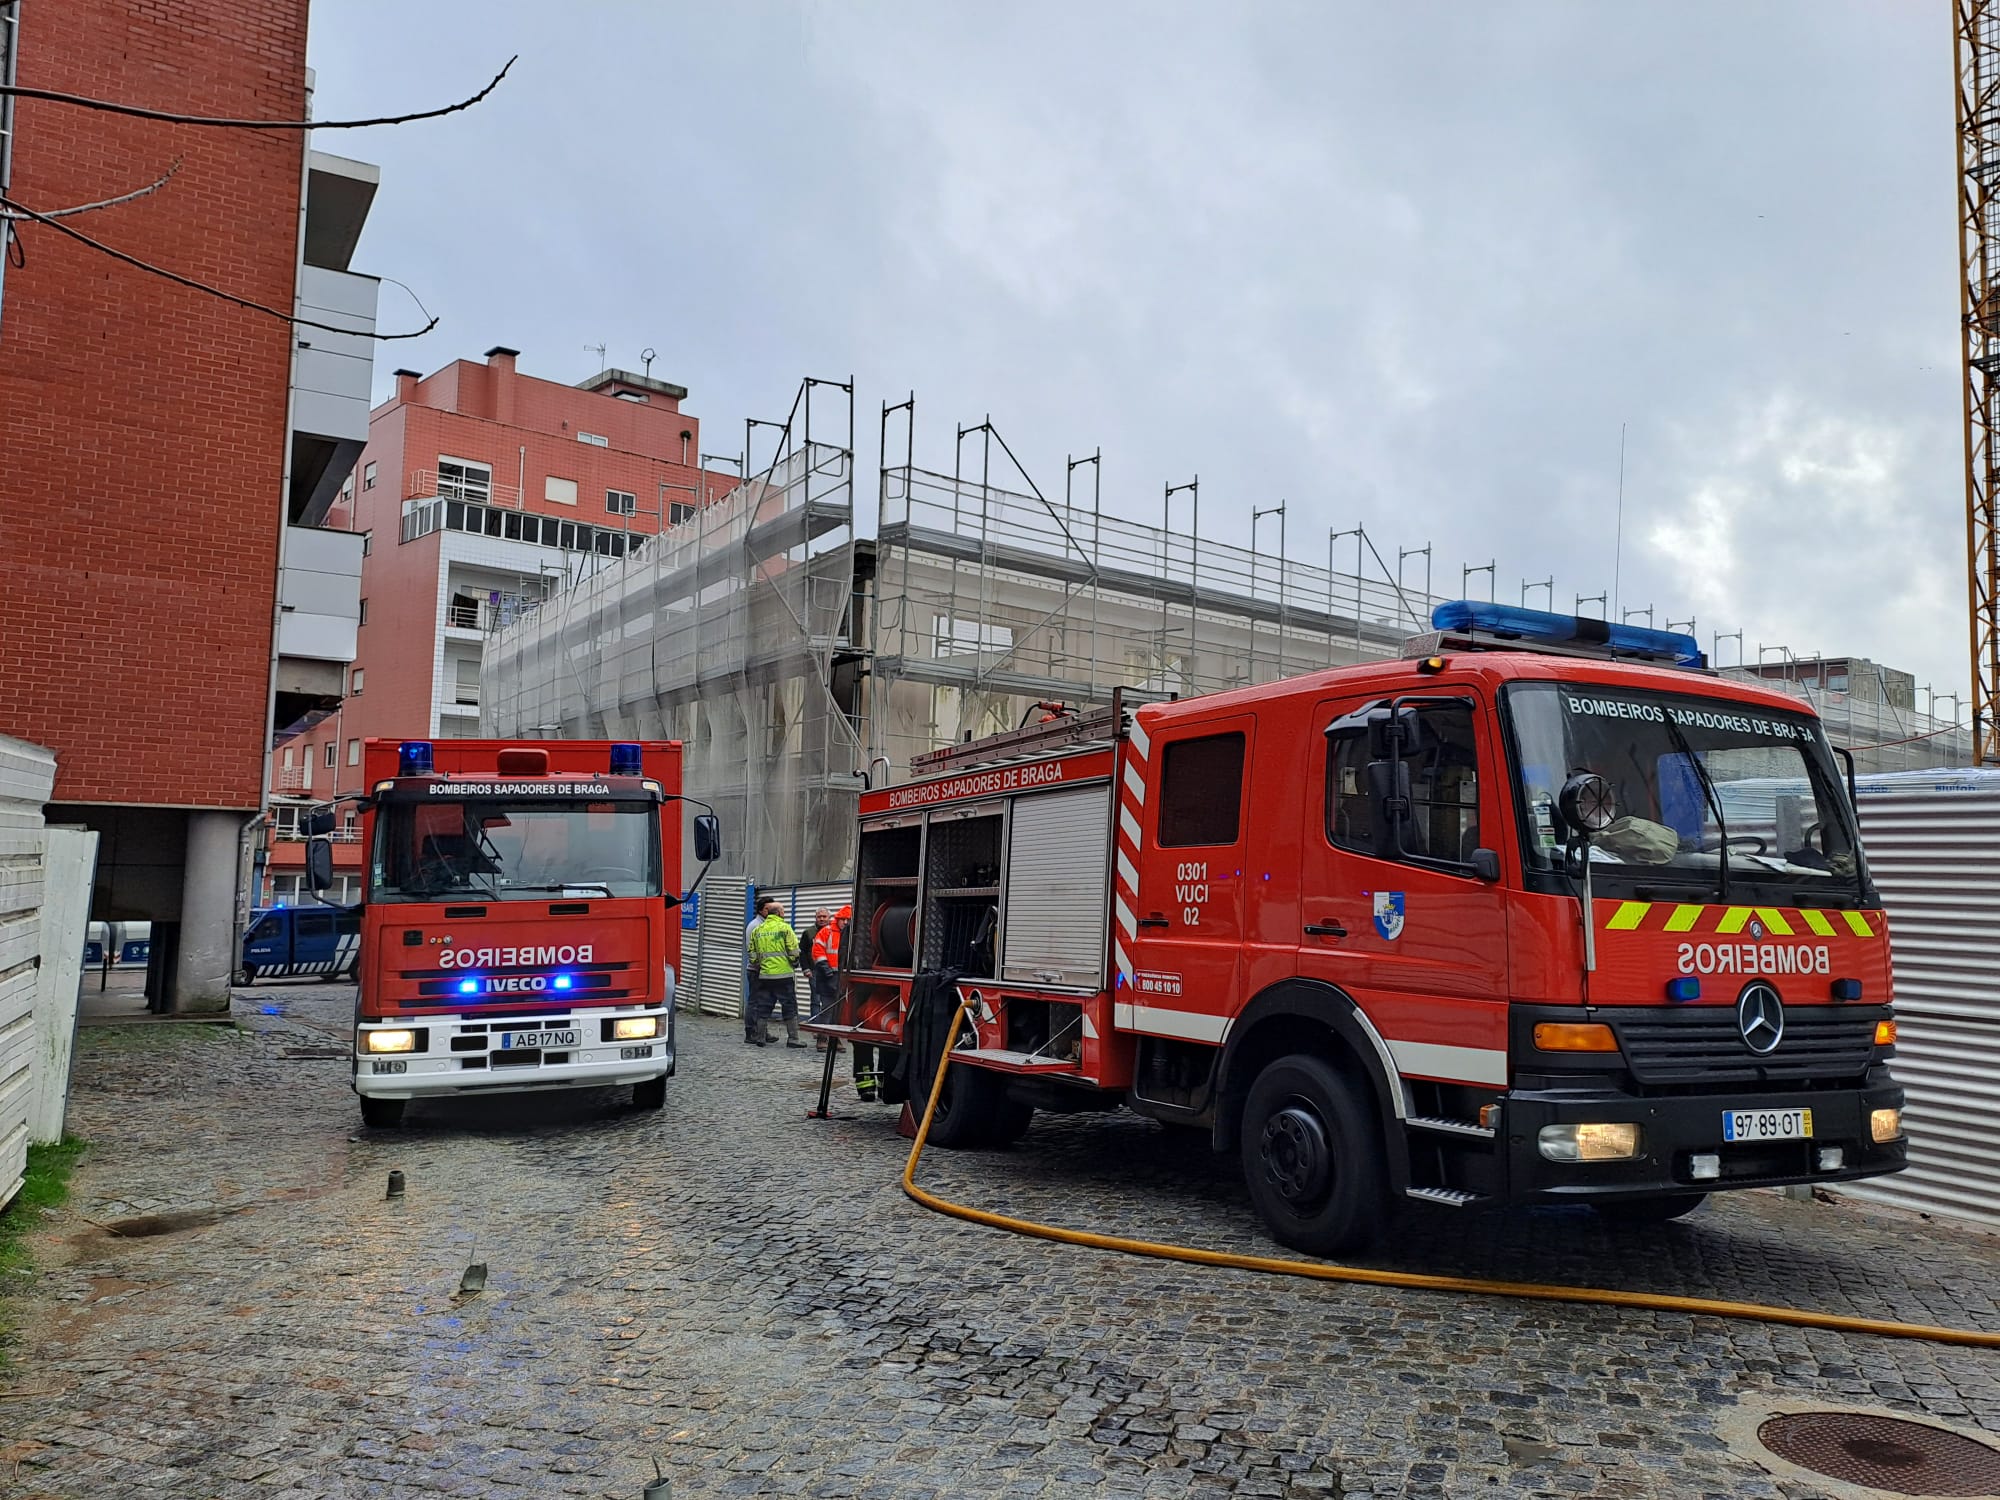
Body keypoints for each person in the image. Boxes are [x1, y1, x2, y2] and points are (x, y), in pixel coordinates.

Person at [832, 903, 884, 1102]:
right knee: (864, 1037)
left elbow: (843, 960)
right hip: (862, 988)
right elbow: (844, 960)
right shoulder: (854, 928)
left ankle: (874, 1086)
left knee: (873, 1038)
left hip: (865, 986)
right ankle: (870, 1086)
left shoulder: (853, 928)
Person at [745, 899, 805, 1048]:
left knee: (763, 1006)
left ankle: (760, 1037)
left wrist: (761, 965)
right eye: (783, 911)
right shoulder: (785, 928)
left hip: (765, 975)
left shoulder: (758, 930)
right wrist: (794, 962)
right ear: (778, 913)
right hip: (784, 975)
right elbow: (794, 951)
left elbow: (752, 955)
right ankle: (793, 1038)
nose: (784, 914)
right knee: (789, 1006)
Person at [807, 907, 842, 1054]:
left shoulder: (845, 934)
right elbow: (815, 953)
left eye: (824, 916)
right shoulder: (823, 932)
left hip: (839, 976)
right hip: (825, 976)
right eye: (819, 916)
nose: (821, 919)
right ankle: (822, 1038)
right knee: (826, 1007)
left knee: (838, 1010)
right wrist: (826, 972)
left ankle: (835, 1038)